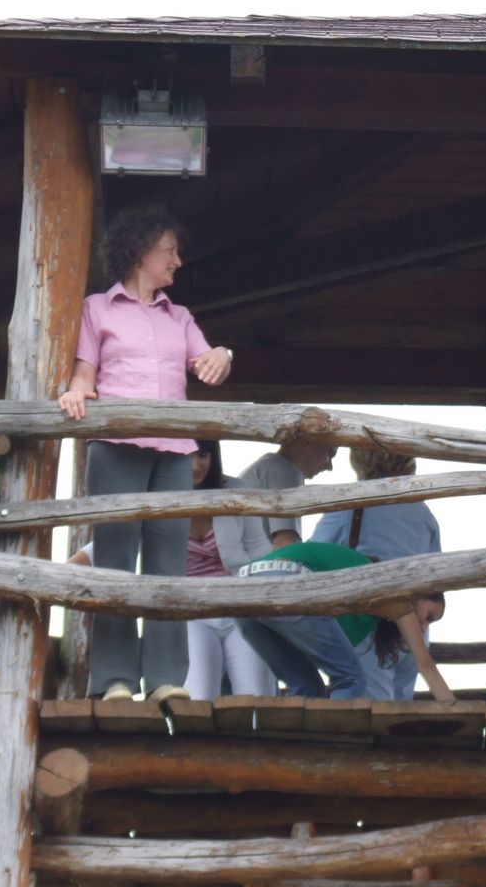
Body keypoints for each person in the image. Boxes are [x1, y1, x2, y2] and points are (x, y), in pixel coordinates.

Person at [58, 207, 233, 702]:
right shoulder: (97, 308)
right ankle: (114, 679)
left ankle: (165, 680)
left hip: (174, 452)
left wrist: (223, 354)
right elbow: (85, 372)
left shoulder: (181, 317)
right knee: (114, 561)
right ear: (140, 252)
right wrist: (76, 390)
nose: (177, 261)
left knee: (168, 565)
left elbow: (208, 363)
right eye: (169, 251)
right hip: (115, 447)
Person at [236, 541, 452, 702]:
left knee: (307, 687)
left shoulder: (362, 621)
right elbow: (426, 666)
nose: (423, 628)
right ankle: (328, 744)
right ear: (416, 594)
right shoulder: (396, 596)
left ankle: (301, 744)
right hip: (289, 582)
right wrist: (454, 709)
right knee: (351, 680)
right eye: (429, 617)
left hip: (241, 589)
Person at [310, 445, 443, 700]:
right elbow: (436, 575)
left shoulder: (348, 502)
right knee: (401, 706)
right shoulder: (422, 511)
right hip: (414, 626)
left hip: (366, 622)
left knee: (369, 705)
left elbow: (316, 556)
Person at [182, 440, 278, 701]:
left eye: (203, 455)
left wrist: (279, 589)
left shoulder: (237, 490)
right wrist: (79, 562)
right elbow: (123, 538)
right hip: (190, 612)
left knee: (254, 696)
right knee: (198, 696)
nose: (195, 465)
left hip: (241, 608)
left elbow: (259, 549)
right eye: (187, 455)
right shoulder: (157, 493)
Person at [213, 435, 337, 572]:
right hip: (255, 574)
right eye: (330, 453)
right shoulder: (284, 470)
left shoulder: (267, 465)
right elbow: (285, 544)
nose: (330, 466)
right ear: (308, 441)